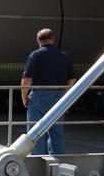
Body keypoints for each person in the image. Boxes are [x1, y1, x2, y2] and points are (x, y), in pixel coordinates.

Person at [21, 28, 75, 156]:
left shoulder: (35, 55)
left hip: (39, 96)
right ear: (52, 39)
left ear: (38, 40)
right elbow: (72, 80)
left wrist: (24, 97)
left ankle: (38, 163)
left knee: (35, 133)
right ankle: (58, 164)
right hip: (59, 97)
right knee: (57, 135)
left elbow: (26, 79)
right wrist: (66, 96)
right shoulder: (63, 55)